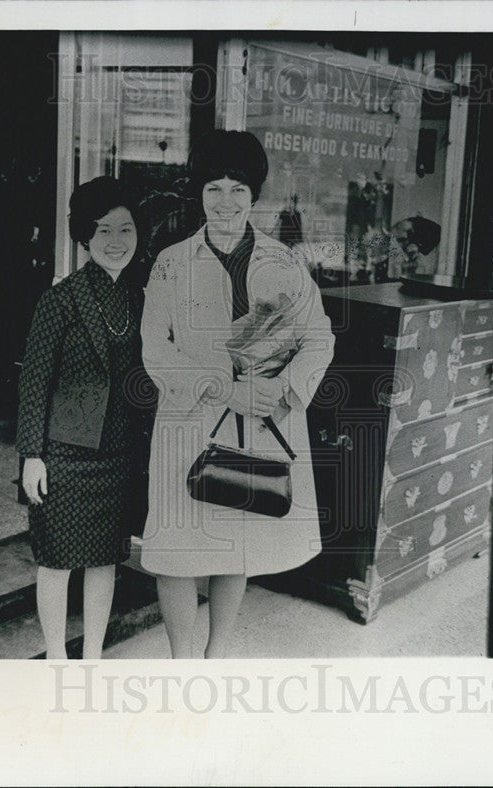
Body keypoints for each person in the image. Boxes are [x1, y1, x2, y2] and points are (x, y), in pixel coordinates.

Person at [139, 130, 335, 659]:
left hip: (264, 422)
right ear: (197, 193)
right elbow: (156, 352)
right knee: (176, 550)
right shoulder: (170, 263)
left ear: (255, 196)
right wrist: (225, 389)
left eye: (238, 190)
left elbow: (319, 337)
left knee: (236, 543)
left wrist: (285, 388)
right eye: (214, 189)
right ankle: (183, 660)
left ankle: (217, 656)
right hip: (189, 423)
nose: (225, 202)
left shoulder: (286, 264)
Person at [16, 176, 153, 659]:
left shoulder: (141, 298)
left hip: (119, 454)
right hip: (64, 455)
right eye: (103, 232)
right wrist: (32, 456)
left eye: (125, 230)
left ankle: (92, 655)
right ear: (83, 238)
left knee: (105, 562)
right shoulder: (61, 298)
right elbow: (33, 380)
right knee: (56, 561)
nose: (116, 243)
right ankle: (57, 656)